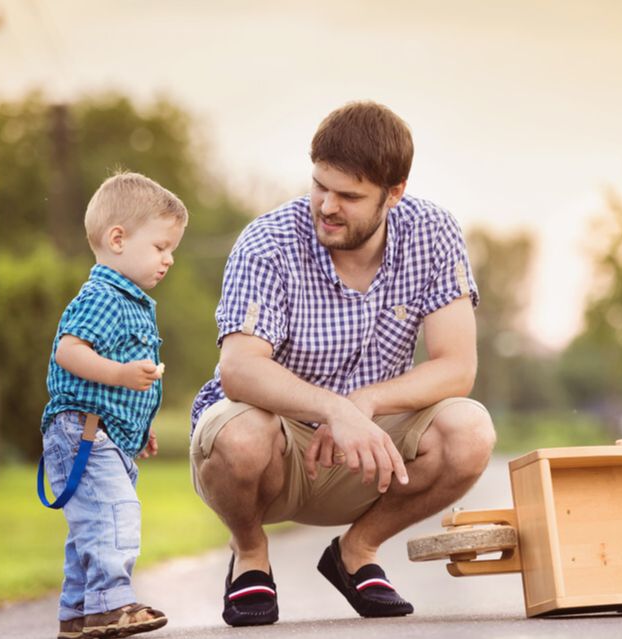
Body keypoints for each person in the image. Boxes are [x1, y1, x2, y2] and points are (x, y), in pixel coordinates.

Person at [189, 101, 496, 626]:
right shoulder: (267, 242)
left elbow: (456, 367)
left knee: (470, 430)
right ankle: (250, 557)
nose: (326, 206)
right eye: (319, 185)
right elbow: (239, 370)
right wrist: (333, 409)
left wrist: (364, 404)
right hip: (275, 450)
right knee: (239, 435)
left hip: (367, 450)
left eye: (348, 196)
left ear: (393, 193)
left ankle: (357, 551)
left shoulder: (434, 233)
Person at [40, 171, 187, 639]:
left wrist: (137, 427)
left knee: (92, 527)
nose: (169, 259)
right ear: (118, 239)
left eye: (171, 250)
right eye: (161, 247)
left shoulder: (132, 301)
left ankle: (79, 614)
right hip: (82, 431)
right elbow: (69, 350)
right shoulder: (104, 295)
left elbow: (118, 385)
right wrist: (121, 374)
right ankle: (111, 605)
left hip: (103, 431)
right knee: (114, 516)